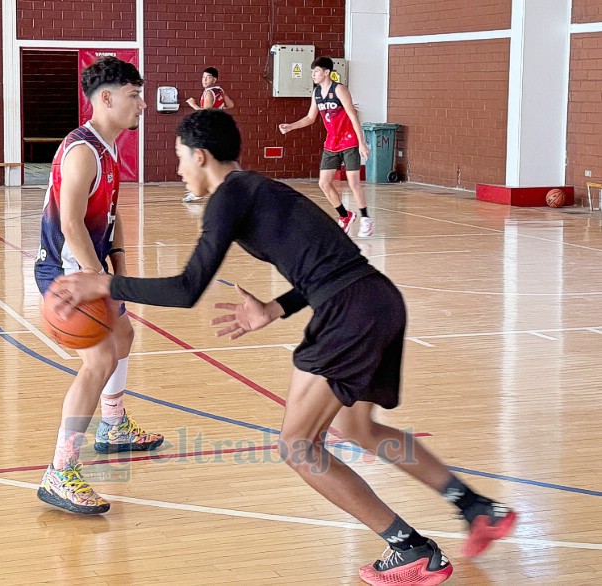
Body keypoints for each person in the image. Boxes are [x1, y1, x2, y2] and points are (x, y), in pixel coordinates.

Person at [52, 109, 517, 583]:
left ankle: (411, 549)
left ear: (200, 155)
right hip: (376, 299)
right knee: (360, 429)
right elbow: (330, 257)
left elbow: (187, 288)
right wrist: (275, 309)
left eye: (179, 158)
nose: (178, 170)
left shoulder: (226, 198)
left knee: (298, 447)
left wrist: (105, 284)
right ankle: (476, 506)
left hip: (348, 313)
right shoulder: (260, 187)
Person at [34, 57, 164, 515]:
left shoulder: (107, 149)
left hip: (94, 268)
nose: (143, 104)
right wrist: (98, 283)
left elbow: (113, 214)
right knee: (100, 358)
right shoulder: (83, 150)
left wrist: (120, 270)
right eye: (135, 95)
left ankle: (113, 426)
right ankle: (60, 470)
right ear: (105, 98)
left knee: (124, 336)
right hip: (68, 273)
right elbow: (70, 223)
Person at [279, 56, 374, 238]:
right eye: (312, 72)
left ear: (327, 72)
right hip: (332, 142)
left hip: (349, 140)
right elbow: (310, 118)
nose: (313, 75)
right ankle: (345, 216)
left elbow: (353, 115)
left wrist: (362, 142)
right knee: (323, 182)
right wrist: (291, 126)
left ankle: (365, 218)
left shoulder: (339, 90)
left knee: (353, 182)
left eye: (316, 71)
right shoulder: (316, 93)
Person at [182, 66, 235, 202]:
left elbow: (205, 113)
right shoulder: (220, 91)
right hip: (220, 128)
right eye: (203, 77)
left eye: (208, 77)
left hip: (210, 130)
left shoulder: (208, 93)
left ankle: (198, 191)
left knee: (199, 159)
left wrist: (193, 105)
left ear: (214, 79)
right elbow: (230, 105)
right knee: (216, 161)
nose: (205, 80)